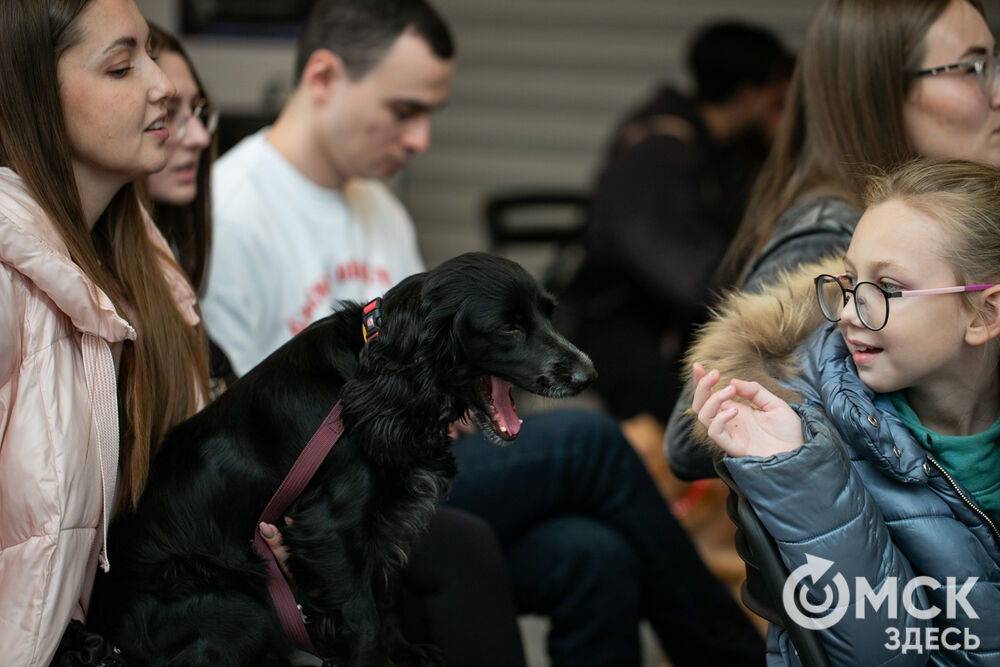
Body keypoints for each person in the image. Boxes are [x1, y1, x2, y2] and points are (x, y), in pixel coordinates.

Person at [200, 0, 766, 664]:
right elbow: (258, 440)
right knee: (588, 440)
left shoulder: (377, 203)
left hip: (419, 466)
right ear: (323, 77)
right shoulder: (234, 212)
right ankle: (737, 657)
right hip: (341, 500)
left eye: (430, 114)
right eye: (405, 109)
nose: (420, 141)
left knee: (594, 556)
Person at [666, 0, 1000, 481]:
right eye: (972, 68)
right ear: (882, 91)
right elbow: (688, 440)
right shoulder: (838, 229)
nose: (994, 92)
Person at [690, 158, 1000, 664]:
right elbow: (882, 653)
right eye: (850, 281)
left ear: (985, 314)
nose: (850, 313)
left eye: (890, 290)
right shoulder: (808, 435)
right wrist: (802, 476)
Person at [0, 0, 211, 664]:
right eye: (122, 66)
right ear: (32, 93)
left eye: (151, 52)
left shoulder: (142, 262)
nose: (164, 86)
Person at [558, 21, 793, 424]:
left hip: (667, 330)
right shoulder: (660, 153)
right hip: (636, 342)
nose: (787, 116)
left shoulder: (722, 150)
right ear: (749, 94)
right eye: (780, 100)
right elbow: (692, 280)